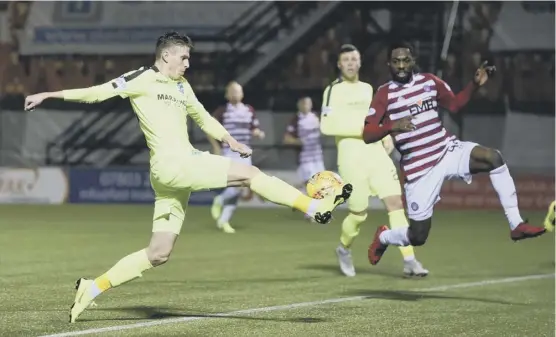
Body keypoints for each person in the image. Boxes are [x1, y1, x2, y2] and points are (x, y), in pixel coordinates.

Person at [24, 31, 352, 323]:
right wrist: (49, 95)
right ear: (166, 55)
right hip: (173, 165)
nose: (187, 63)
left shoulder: (182, 85)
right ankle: (314, 208)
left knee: (158, 253)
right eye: (184, 57)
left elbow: (202, 117)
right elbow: (97, 92)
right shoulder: (141, 78)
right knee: (250, 175)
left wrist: (230, 140)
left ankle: (91, 287)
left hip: (173, 173)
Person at [363, 41, 546, 265]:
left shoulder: (430, 82)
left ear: (413, 61)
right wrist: (391, 126)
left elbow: (455, 104)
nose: (401, 65)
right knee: (418, 236)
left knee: (493, 157)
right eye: (396, 61)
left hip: (445, 149)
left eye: (405, 60)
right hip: (419, 169)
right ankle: (384, 237)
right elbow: (368, 133)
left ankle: (516, 225)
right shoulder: (384, 94)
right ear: (388, 64)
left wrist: (474, 84)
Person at [320, 44, 428, 277]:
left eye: (354, 59)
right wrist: (363, 130)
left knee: (396, 205)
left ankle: (410, 261)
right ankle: (344, 248)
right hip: (351, 158)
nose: (350, 63)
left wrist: (387, 134)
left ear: (359, 63)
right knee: (358, 214)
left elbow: (379, 117)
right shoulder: (333, 90)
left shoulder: (369, 89)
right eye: (346, 59)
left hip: (376, 155)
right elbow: (326, 125)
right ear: (339, 64)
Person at [208, 81, 265, 234]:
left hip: (245, 152)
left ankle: (223, 219)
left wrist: (258, 133)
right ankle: (220, 204)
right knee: (239, 184)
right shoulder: (223, 111)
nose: (235, 93)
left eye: (237, 91)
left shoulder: (249, 110)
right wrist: (216, 147)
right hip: (230, 152)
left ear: (242, 94)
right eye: (232, 91)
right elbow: (209, 127)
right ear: (227, 95)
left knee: (240, 187)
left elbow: (254, 128)